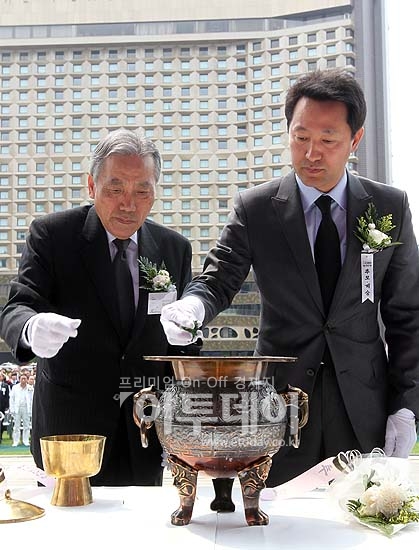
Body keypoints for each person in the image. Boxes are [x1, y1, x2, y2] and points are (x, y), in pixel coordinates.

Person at [161, 69, 419, 487]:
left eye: (328, 140)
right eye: (300, 137)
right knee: (272, 515)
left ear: (355, 140)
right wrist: (192, 307)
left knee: (362, 513)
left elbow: (408, 315)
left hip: (363, 406)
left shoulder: (389, 206)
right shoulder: (256, 208)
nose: (311, 153)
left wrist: (406, 405)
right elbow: (218, 277)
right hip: (278, 407)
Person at [0, 128, 197, 485]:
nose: (128, 204)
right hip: (70, 432)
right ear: (92, 186)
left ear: (155, 192)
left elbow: (182, 343)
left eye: (142, 191)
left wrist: (189, 334)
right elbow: (18, 306)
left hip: (144, 433)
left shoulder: (174, 249)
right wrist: (31, 328)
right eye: (115, 189)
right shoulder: (53, 236)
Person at [9, 373, 32, 446]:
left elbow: (32, 399)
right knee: (16, 426)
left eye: (25, 379)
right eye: (22, 378)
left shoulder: (30, 388)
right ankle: (16, 441)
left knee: (27, 425)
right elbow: (11, 399)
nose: (23, 380)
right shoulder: (15, 387)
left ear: (27, 380)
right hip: (17, 408)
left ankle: (26, 440)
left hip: (26, 408)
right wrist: (12, 409)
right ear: (19, 379)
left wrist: (31, 409)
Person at [0, 371, 9, 443]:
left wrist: (7, 406)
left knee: (1, 421)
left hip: (2, 406)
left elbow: (7, 396)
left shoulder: (5, 385)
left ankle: (0, 436)